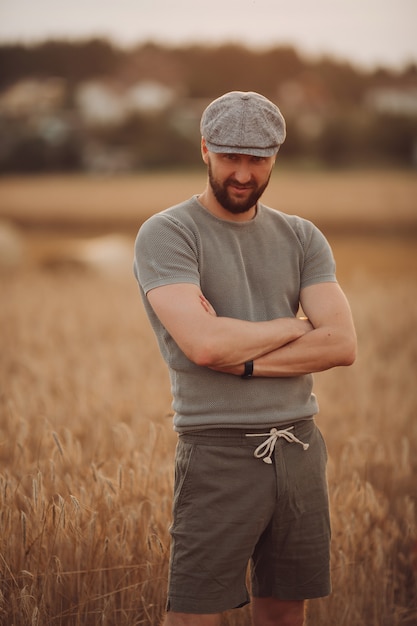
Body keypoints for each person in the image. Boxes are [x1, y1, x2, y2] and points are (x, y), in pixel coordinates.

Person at [133, 91, 357, 626]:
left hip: (301, 446)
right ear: (205, 148)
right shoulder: (168, 233)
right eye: (230, 156)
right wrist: (292, 327)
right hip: (218, 449)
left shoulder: (302, 237)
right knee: (196, 617)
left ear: (274, 157)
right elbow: (204, 346)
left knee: (283, 614)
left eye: (256, 159)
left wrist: (246, 359)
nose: (242, 172)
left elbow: (343, 344)